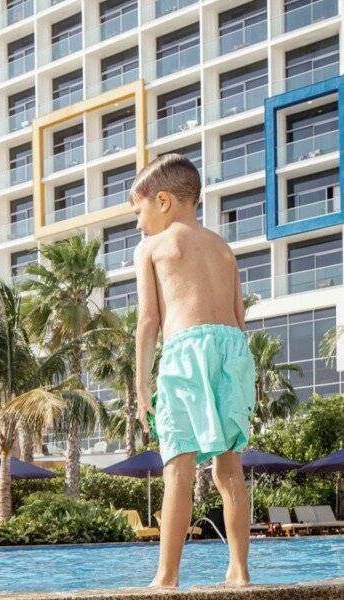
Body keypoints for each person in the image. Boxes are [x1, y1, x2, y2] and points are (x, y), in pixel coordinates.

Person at [131, 154, 256, 588]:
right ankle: (239, 572)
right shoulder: (223, 247)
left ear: (162, 201)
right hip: (233, 350)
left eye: (139, 211)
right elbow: (240, 317)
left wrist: (141, 385)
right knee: (230, 470)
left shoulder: (151, 247)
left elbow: (148, 321)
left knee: (178, 469)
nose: (138, 223)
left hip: (186, 350)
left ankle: (166, 577)